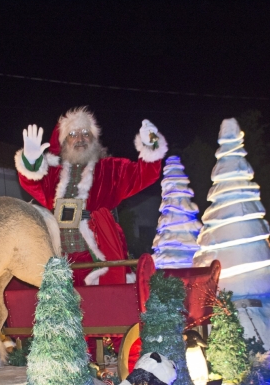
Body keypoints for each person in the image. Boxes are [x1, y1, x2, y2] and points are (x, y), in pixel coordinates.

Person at [15, 107, 167, 285]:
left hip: (98, 258)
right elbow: (32, 183)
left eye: (85, 133)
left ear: (94, 138)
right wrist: (31, 162)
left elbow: (145, 174)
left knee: (102, 307)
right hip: (60, 260)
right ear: (64, 141)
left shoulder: (110, 170)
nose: (80, 139)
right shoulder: (52, 174)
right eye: (73, 134)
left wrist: (151, 143)